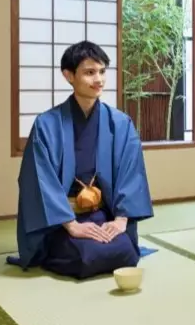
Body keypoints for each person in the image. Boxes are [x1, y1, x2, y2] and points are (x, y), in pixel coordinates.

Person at [8, 41, 155, 279]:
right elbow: (39, 179)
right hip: (61, 219)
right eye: (89, 73)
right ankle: (56, 248)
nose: (98, 79)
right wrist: (72, 226)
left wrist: (120, 221)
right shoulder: (47, 124)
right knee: (86, 256)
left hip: (102, 213)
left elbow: (131, 172)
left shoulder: (119, 123)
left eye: (102, 72)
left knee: (127, 253)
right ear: (69, 76)